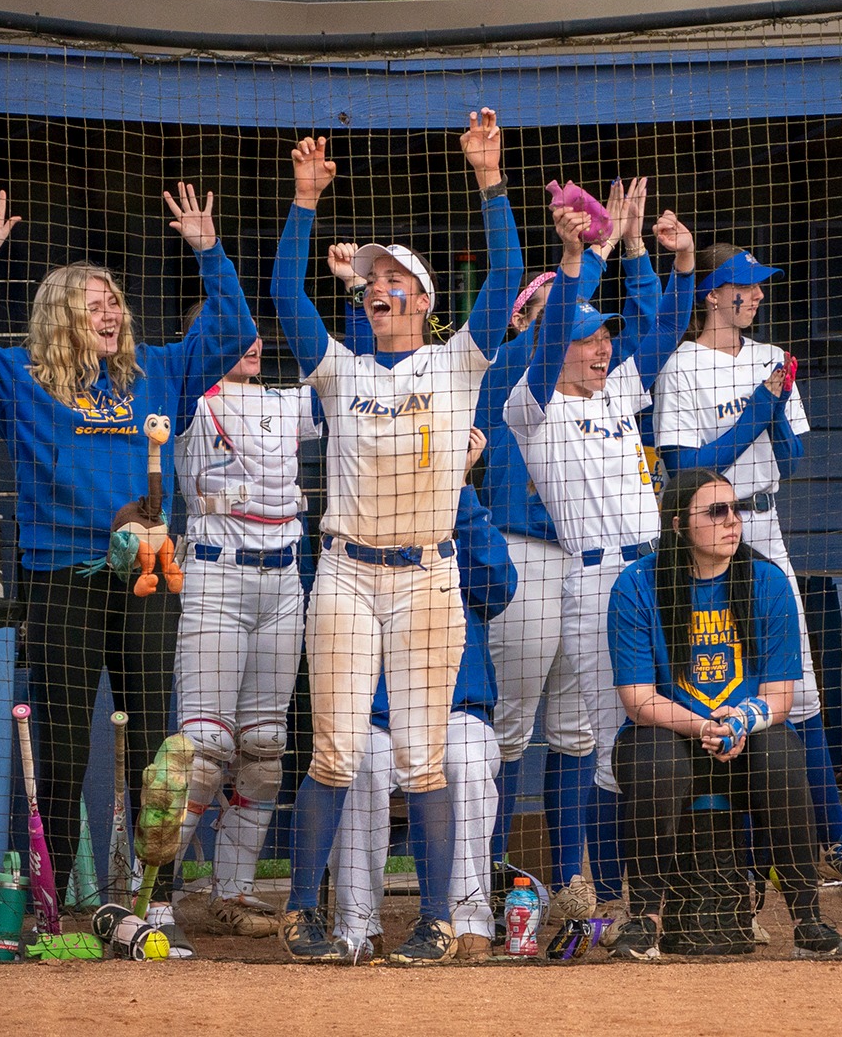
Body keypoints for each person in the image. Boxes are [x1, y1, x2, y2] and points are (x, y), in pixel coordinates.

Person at [0, 180, 256, 943]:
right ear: (60, 316)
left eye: (116, 302)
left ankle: (154, 895)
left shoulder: (158, 375)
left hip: (147, 579)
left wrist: (209, 251)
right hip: (62, 580)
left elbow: (234, 327)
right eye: (95, 303)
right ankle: (32, 898)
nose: (112, 313)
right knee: (62, 744)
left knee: (156, 743)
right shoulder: (19, 380)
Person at [269, 111, 522, 964]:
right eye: (371, 279)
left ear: (423, 299)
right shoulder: (339, 369)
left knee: (423, 754)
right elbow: (282, 297)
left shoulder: (456, 362)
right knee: (335, 747)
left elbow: (511, 270)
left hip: (428, 577)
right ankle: (304, 913)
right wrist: (305, 202)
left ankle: (437, 920)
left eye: (396, 278)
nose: (380, 285)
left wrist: (489, 179)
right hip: (343, 571)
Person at [652, 240, 842, 894]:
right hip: (705, 530)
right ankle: (746, 856)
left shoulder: (769, 357)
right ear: (713, 293)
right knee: (724, 684)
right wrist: (760, 405)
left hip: (766, 522)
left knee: (800, 691)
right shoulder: (681, 368)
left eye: (761, 287)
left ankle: (835, 842)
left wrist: (780, 402)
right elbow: (683, 472)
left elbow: (788, 456)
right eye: (745, 286)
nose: (757, 295)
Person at [504, 202, 693, 933]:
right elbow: (548, 338)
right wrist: (574, 254)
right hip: (590, 580)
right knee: (607, 743)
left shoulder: (618, 389)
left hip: (654, 575)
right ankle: (611, 896)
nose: (601, 349)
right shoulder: (533, 404)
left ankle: (659, 891)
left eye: (604, 335)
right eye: (588, 339)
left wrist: (663, 255)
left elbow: (667, 328)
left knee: (668, 730)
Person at [481, 179, 656, 935]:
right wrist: (578, 260)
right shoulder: (507, 369)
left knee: (581, 733)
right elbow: (547, 343)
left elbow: (633, 336)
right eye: (555, 312)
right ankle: (491, 882)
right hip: (523, 558)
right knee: (510, 730)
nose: (586, 340)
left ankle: (572, 878)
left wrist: (618, 255)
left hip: (593, 564)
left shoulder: (600, 387)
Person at [608, 467, 842, 959]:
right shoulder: (636, 585)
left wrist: (742, 720)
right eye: (715, 511)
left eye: (735, 509)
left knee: (783, 755)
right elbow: (638, 700)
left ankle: (808, 923)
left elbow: (781, 697)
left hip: (745, 738)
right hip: (669, 736)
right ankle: (645, 922)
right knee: (657, 758)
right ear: (678, 524)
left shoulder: (768, 580)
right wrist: (703, 726)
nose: (732, 521)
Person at [330, 431, 514, 961]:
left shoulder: (460, 515)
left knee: (469, 763)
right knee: (359, 763)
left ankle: (466, 916)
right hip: (380, 710)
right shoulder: (359, 518)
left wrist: (458, 489)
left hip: (455, 707)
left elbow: (499, 586)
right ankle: (356, 924)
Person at [167, 326, 321, 941]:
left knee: (263, 753)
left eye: (255, 332)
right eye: (233, 333)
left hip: (285, 585)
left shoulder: (286, 401)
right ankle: (154, 897)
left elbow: (359, 379)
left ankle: (232, 894)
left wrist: (354, 299)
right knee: (203, 753)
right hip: (216, 578)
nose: (251, 341)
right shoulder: (189, 400)